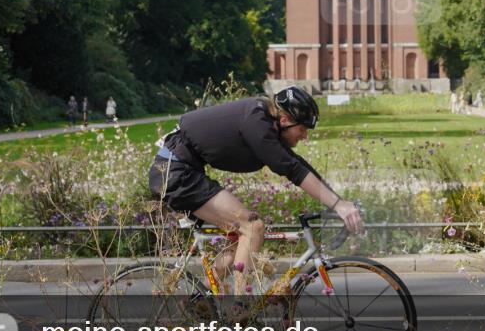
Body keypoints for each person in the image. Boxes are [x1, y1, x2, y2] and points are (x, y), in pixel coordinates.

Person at [148, 87, 363, 295]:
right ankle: (240, 309)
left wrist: (338, 202)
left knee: (239, 238)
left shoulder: (265, 123)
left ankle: (200, 300)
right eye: (303, 128)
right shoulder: (256, 123)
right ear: (285, 120)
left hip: (184, 170)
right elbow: (291, 169)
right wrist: (337, 205)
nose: (305, 135)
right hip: (175, 172)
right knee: (252, 228)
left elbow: (297, 163)